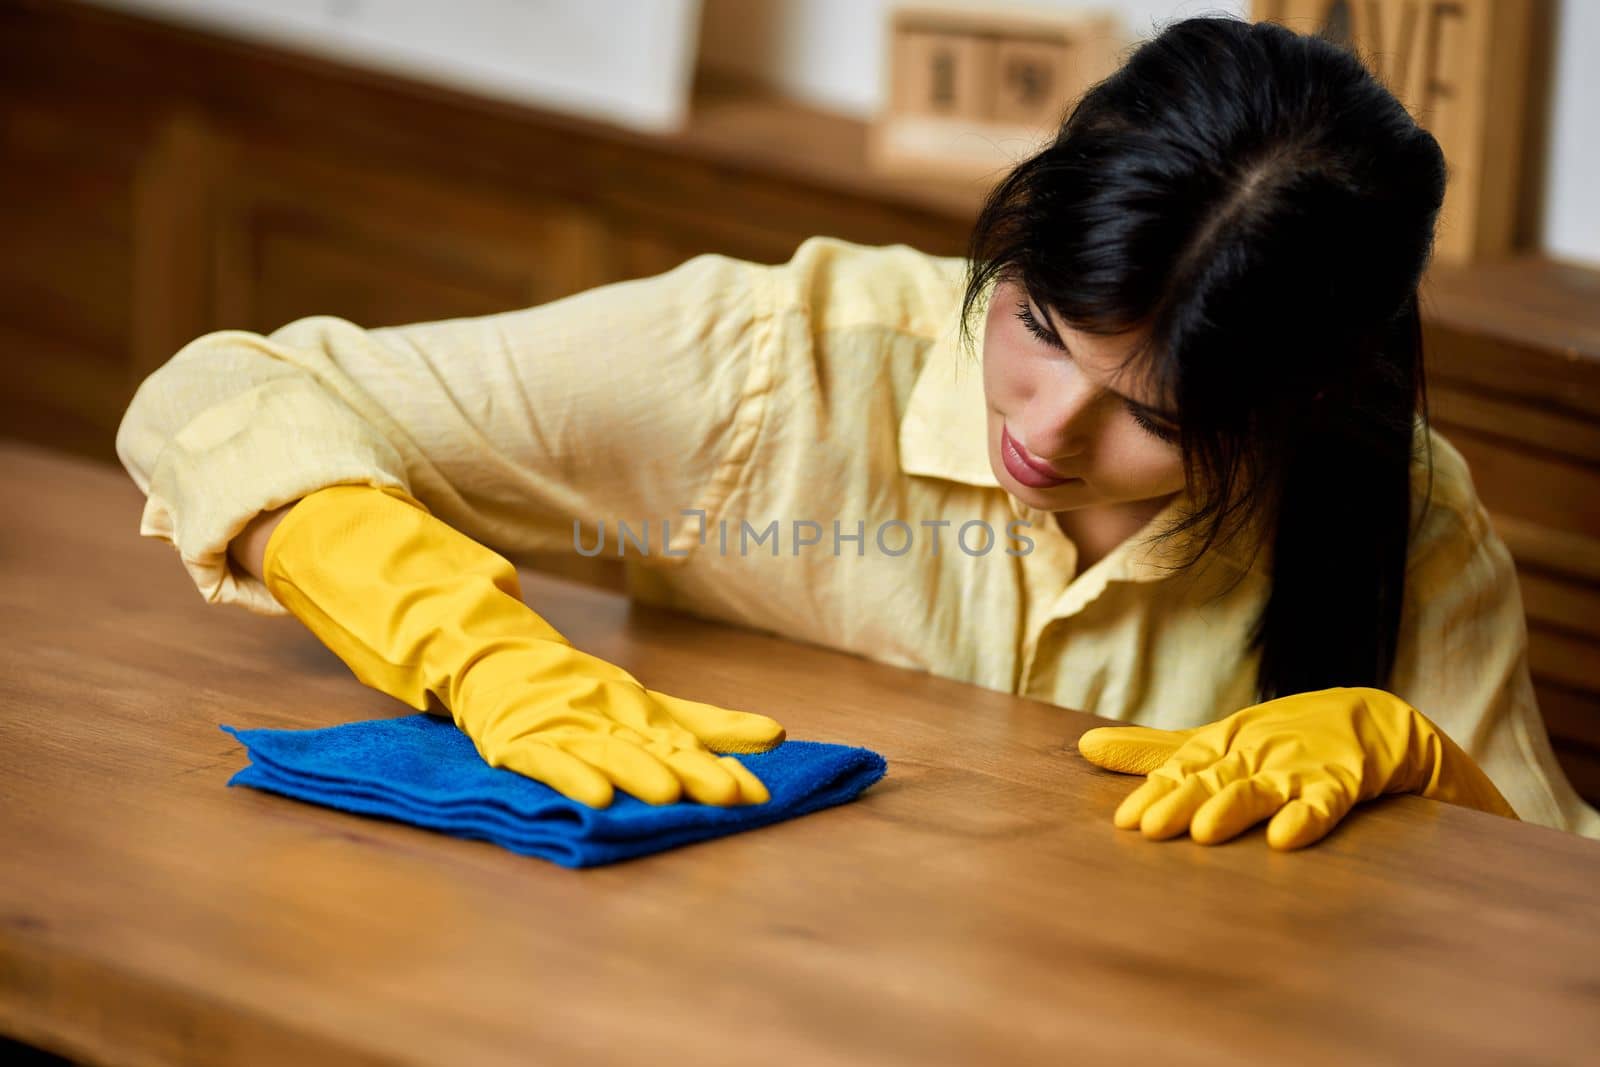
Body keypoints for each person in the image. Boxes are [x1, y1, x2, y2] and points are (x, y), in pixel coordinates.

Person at [116, 15, 1600, 847]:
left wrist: (1421, 757)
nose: (1047, 430)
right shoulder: (787, 364)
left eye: (1151, 417)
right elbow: (224, 389)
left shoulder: (1404, 521)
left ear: (1298, 408)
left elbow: (1551, 924)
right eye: (1035, 327)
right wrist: (477, 651)